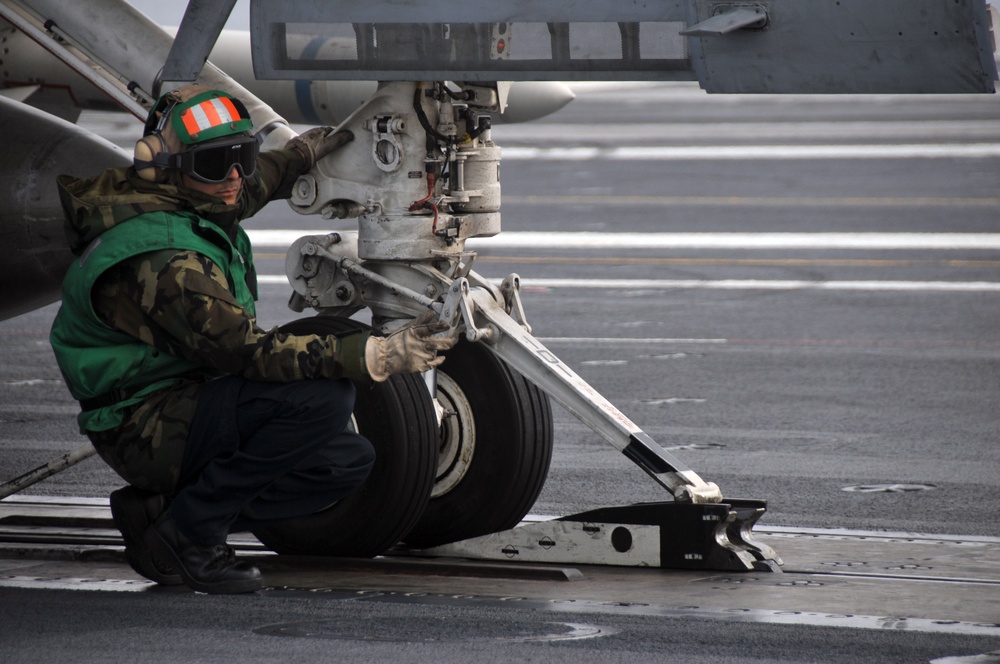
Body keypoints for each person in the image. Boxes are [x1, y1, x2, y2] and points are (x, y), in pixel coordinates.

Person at [49, 85, 455, 594]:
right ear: (171, 168)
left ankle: (166, 513)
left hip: (185, 395)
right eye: (217, 164)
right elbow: (246, 352)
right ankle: (189, 533)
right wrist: (372, 353)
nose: (235, 178)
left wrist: (297, 157)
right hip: (141, 420)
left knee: (346, 462)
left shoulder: (188, 192)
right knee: (322, 398)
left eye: (241, 157)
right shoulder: (165, 260)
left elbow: (249, 181)